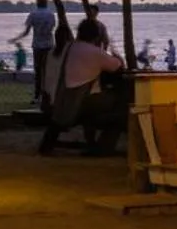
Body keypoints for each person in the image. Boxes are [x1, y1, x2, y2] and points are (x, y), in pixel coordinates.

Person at [41, 17, 125, 155]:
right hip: (81, 102)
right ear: (97, 35)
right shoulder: (94, 52)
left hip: (61, 101)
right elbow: (117, 66)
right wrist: (113, 51)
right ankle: (102, 148)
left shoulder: (70, 47)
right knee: (121, 109)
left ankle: (93, 143)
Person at [15, 0, 56, 96]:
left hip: (37, 45)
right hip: (49, 44)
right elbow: (51, 28)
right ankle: (48, 92)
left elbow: (26, 32)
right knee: (48, 69)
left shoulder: (33, 14)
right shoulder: (51, 15)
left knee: (38, 70)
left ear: (37, 3)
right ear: (46, 3)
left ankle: (37, 93)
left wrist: (16, 38)